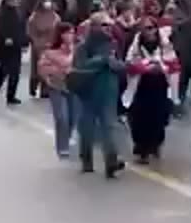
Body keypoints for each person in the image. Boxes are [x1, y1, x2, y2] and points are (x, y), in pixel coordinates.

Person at [70, 13, 126, 178]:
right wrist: (100, 60)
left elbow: (121, 65)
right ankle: (86, 160)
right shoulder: (83, 48)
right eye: (103, 25)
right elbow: (78, 68)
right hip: (89, 92)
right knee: (87, 128)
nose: (108, 29)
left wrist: (115, 64)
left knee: (109, 127)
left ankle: (111, 162)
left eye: (109, 25)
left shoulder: (113, 45)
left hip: (109, 91)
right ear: (93, 27)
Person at [124, 17, 180, 163]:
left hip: (160, 86)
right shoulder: (136, 45)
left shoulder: (164, 44)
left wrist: (160, 67)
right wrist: (145, 67)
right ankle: (142, 149)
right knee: (140, 119)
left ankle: (155, 144)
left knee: (159, 118)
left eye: (152, 28)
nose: (149, 31)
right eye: (146, 28)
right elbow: (130, 63)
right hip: (141, 86)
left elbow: (173, 64)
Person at [38, 22, 78, 158]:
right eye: (67, 33)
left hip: (73, 87)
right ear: (60, 35)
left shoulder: (77, 50)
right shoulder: (50, 52)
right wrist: (58, 71)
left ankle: (66, 138)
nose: (70, 36)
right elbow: (43, 68)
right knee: (62, 117)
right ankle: (62, 147)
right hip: (57, 87)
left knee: (72, 118)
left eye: (72, 33)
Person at [0, 0, 27, 105]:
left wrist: (24, 42)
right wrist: (6, 38)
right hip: (5, 45)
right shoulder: (1, 13)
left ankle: (11, 96)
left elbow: (22, 28)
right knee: (4, 71)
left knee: (15, 72)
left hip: (16, 45)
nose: (16, 1)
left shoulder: (19, 12)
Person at [26, 0, 61, 99]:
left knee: (48, 69)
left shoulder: (55, 17)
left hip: (51, 46)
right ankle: (33, 86)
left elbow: (58, 30)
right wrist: (36, 41)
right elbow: (30, 31)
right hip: (38, 46)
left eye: (49, 1)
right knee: (37, 68)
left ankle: (45, 90)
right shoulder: (34, 17)